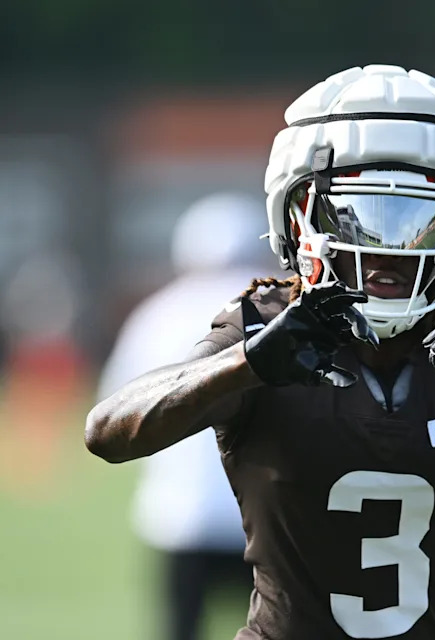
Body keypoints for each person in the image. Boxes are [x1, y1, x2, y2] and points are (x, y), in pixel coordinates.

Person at [86, 65, 435, 640]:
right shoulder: (266, 327)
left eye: (421, 222)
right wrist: (246, 364)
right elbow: (107, 432)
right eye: (356, 219)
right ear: (300, 219)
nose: (389, 250)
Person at [97, 193, 275, 640]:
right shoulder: (279, 311)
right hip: (266, 514)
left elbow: (115, 411)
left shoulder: (158, 312)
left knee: (181, 629)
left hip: (182, 514)